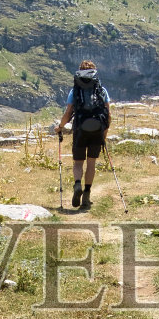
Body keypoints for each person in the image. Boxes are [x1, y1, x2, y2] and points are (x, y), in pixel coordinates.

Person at [54, 60, 111, 209]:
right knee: (91, 162)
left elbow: (68, 113)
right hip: (97, 130)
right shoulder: (101, 90)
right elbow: (108, 114)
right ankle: (86, 193)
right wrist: (104, 135)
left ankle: (77, 184)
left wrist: (60, 127)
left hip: (80, 129)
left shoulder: (75, 91)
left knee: (78, 162)